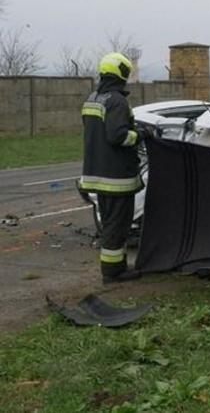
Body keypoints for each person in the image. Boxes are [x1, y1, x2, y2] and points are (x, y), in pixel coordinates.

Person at [78, 53, 144, 283]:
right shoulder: (116, 100)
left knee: (109, 224)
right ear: (122, 73)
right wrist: (138, 136)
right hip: (116, 176)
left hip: (95, 174)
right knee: (118, 225)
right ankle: (114, 272)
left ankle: (113, 267)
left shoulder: (93, 99)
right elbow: (117, 136)